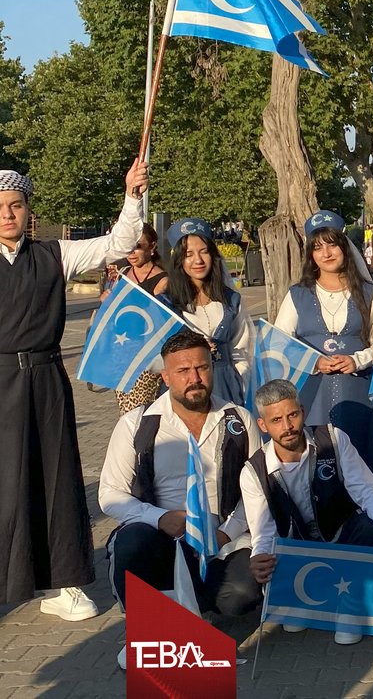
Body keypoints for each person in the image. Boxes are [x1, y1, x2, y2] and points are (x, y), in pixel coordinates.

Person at [0, 160, 146, 620]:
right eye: (1, 207)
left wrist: (131, 195)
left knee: (55, 476)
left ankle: (65, 584)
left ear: (29, 211)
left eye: (16, 206)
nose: (8, 214)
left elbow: (119, 244)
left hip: (46, 378)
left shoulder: (53, 255)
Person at [99, 330, 262, 668]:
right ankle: (145, 628)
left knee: (242, 596)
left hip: (220, 540)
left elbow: (257, 494)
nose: (194, 379)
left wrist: (227, 532)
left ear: (212, 368)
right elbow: (109, 494)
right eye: (183, 372)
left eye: (201, 368)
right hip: (163, 536)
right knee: (131, 542)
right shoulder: (137, 424)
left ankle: (193, 618)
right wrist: (158, 518)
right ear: (165, 376)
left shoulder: (239, 420)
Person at [240, 379, 373, 645]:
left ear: (303, 411)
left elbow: (365, 490)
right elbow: (263, 531)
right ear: (263, 425)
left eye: (293, 415)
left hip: (340, 534)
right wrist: (260, 556)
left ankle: (349, 605)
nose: (287, 427)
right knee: (273, 568)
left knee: (371, 526)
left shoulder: (333, 438)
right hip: (297, 545)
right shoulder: (253, 471)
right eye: (276, 420)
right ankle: (301, 600)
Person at [273, 211, 373, 482]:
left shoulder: (369, 294)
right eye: (317, 247)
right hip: (311, 393)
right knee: (317, 465)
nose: (326, 253)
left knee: (360, 463)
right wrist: (314, 361)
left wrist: (357, 360)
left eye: (332, 244)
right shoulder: (297, 294)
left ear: (344, 247)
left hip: (357, 389)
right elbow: (279, 343)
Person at [164, 218, 254, 406]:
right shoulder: (166, 305)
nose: (198, 260)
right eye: (188, 254)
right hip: (185, 391)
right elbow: (155, 355)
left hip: (226, 387)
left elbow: (243, 347)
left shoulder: (231, 300)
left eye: (204, 252)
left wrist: (239, 377)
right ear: (179, 260)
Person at [100, 222, 170, 415]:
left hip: (145, 355)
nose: (132, 252)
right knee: (126, 412)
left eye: (138, 246)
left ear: (152, 247)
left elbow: (154, 318)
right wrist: (107, 302)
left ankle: (142, 444)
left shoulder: (163, 280)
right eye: (129, 246)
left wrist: (116, 303)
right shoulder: (121, 275)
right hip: (120, 352)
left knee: (138, 411)